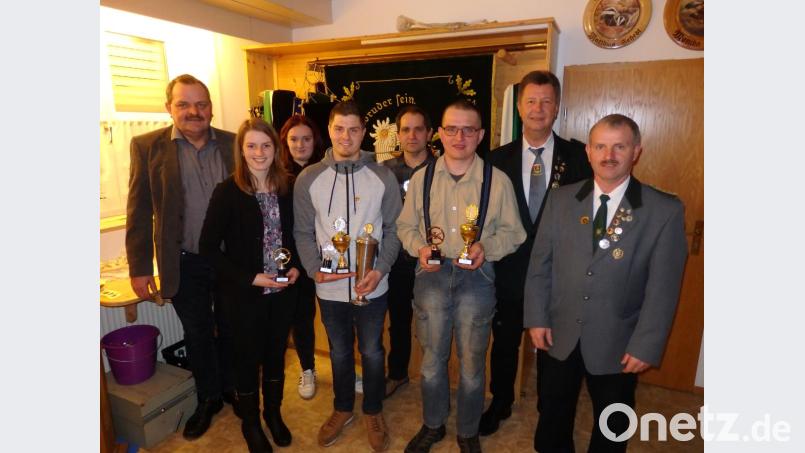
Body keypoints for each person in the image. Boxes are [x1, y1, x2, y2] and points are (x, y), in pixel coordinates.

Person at [524, 114, 688, 452]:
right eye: (600, 146)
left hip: (619, 341)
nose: (608, 155)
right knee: (553, 413)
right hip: (560, 332)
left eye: (619, 147)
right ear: (588, 151)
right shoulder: (560, 200)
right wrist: (536, 317)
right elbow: (540, 264)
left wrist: (646, 345)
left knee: (612, 422)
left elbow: (663, 289)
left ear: (636, 151)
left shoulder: (663, 210)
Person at [397, 99, 526, 453]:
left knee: (471, 365)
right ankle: (433, 424)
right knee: (431, 363)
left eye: (468, 129)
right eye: (451, 128)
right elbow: (405, 226)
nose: (459, 136)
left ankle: (467, 431)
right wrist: (419, 247)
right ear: (439, 133)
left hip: (478, 279)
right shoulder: (422, 179)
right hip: (431, 276)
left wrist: (486, 247)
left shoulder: (496, 182)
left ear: (480, 135)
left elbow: (514, 234)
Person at [481, 71, 592, 436]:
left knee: (551, 346)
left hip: (559, 274)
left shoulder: (578, 156)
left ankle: (550, 406)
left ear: (557, 107)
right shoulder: (496, 159)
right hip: (509, 270)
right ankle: (500, 402)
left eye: (546, 101)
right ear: (519, 106)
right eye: (531, 101)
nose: (538, 109)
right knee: (505, 342)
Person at [125, 74, 235, 440]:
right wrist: (139, 268)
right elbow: (138, 211)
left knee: (234, 328)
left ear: (211, 108)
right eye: (184, 104)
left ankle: (232, 387)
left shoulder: (234, 144)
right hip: (184, 261)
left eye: (201, 104)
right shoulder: (147, 147)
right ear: (168, 107)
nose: (194, 111)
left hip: (230, 260)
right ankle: (209, 399)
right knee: (198, 333)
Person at [293, 101, 402, 452]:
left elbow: (396, 230)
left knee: (371, 351)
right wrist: (312, 269)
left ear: (364, 133)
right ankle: (342, 409)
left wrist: (380, 269)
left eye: (354, 129)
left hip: (373, 285)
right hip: (330, 287)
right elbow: (302, 232)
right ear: (329, 131)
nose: (346, 136)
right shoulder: (309, 178)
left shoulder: (383, 176)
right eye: (339, 129)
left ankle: (372, 409)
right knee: (339, 352)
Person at [199, 118, 300, 452]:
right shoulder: (227, 191)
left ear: (276, 149)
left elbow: (296, 237)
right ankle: (251, 423)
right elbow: (209, 248)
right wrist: (250, 277)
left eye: (266, 145)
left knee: (275, 357)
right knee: (247, 360)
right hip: (244, 296)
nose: (259, 153)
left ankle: (273, 414)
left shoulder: (288, 186)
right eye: (252, 146)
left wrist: (296, 267)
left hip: (281, 294)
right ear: (241, 151)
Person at [380, 105, 436, 399]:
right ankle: (398, 373)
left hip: (431, 261)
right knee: (398, 321)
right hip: (397, 261)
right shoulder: (385, 171)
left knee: (432, 323)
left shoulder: (443, 168)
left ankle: (433, 377)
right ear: (398, 135)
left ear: (429, 133)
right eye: (405, 129)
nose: (412, 135)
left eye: (418, 129)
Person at [278, 115, 326, 400]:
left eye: (306, 139)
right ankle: (308, 368)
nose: (300, 145)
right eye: (294, 139)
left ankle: (346, 367)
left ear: (316, 141)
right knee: (302, 318)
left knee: (338, 318)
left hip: (330, 257)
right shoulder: (277, 176)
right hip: (294, 261)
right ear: (285, 142)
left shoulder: (328, 171)